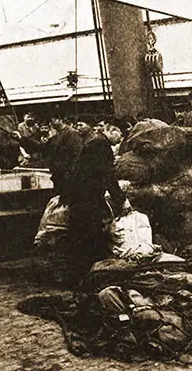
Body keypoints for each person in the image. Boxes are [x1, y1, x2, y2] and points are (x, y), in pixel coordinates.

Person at [66, 117, 132, 276]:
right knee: (90, 237)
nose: (119, 141)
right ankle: (90, 275)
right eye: (120, 135)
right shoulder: (102, 145)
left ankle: (81, 274)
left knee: (82, 238)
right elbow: (107, 176)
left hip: (81, 197)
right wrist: (122, 199)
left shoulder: (95, 142)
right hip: (87, 199)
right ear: (113, 130)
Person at [43, 110, 83, 200]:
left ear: (59, 120)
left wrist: (69, 174)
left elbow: (76, 155)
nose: (50, 124)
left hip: (67, 175)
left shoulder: (72, 133)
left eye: (52, 121)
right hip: (59, 174)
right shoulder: (58, 133)